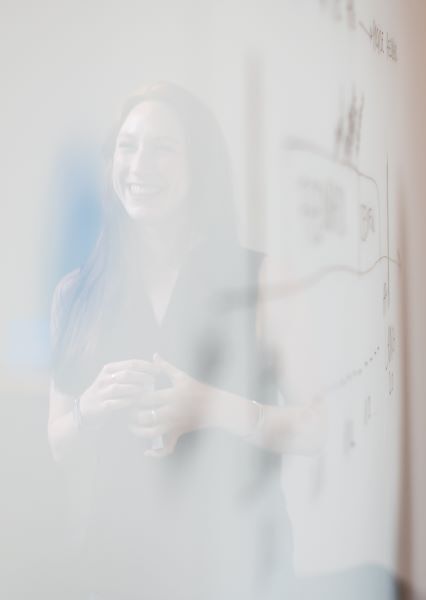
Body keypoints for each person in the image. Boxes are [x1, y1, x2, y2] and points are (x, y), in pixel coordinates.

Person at [48, 82, 319, 599]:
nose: (139, 165)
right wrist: (90, 405)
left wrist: (211, 406)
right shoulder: (76, 292)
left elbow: (316, 427)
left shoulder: (263, 280)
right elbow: (59, 442)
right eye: (127, 147)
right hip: (113, 565)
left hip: (238, 563)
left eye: (163, 148)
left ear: (201, 167)